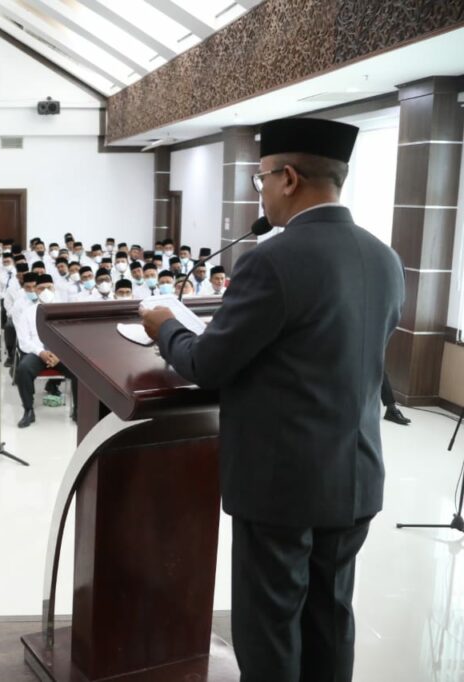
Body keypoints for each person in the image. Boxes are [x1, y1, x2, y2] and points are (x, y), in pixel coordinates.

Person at [140, 117, 404, 682]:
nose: (260, 193)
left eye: (260, 180)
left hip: (283, 483)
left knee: (270, 626)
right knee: (330, 616)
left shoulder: (272, 260)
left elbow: (208, 365)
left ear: (288, 178)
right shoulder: (384, 257)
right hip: (355, 476)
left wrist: (166, 327)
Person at [16, 275, 78, 427]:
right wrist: (41, 352)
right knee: (23, 369)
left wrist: (59, 353)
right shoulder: (27, 312)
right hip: (37, 353)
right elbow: (23, 340)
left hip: (61, 354)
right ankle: (28, 410)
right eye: (41, 288)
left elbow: (72, 337)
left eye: (49, 288)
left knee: (80, 370)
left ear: (54, 289)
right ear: (35, 291)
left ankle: (79, 410)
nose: (45, 291)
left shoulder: (65, 311)